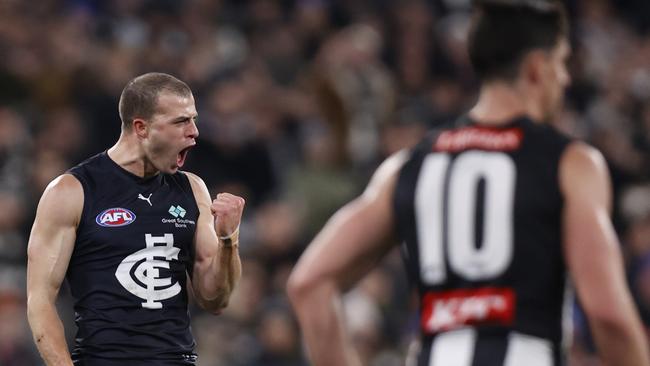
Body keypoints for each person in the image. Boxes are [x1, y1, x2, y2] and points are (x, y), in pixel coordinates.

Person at [287, 1, 650, 365]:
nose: (566, 78)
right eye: (561, 63)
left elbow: (309, 283)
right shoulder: (571, 163)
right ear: (537, 69)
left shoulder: (409, 165)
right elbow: (608, 315)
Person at [26, 72, 245, 365]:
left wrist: (229, 240)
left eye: (193, 119)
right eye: (181, 121)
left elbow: (216, 299)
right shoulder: (72, 191)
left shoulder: (192, 190)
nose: (194, 132)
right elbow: (40, 301)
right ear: (141, 127)